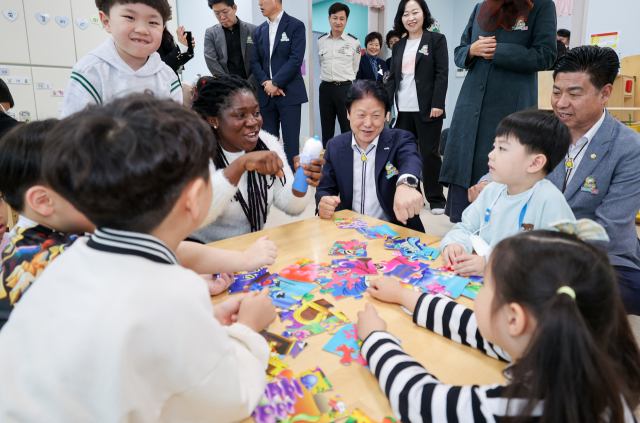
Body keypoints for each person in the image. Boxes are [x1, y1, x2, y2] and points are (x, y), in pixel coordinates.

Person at [0, 94, 277, 421]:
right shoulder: (174, 291)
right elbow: (230, 400)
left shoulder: (69, 262)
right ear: (192, 199)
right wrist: (247, 328)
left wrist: (202, 325)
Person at [0, 118, 279, 327]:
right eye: (94, 182)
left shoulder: (60, 234)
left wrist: (239, 262)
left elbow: (164, 250)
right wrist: (245, 328)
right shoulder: (52, 263)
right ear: (43, 201)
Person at [357, 228, 640, 423]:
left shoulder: (512, 410)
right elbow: (474, 328)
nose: (479, 294)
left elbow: (422, 402)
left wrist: (376, 339)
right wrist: (405, 295)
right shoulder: (573, 352)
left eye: (484, 287)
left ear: (514, 319)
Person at [468, 46, 640, 315]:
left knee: (559, 297)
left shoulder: (630, 147)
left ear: (605, 93)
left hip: (601, 256)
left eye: (574, 94)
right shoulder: (543, 128)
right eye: (556, 91)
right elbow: (504, 163)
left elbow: (607, 229)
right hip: (528, 241)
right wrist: (486, 184)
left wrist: (531, 260)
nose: (560, 103)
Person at [439, 0, 558, 223]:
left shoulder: (541, 5)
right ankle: (464, 232)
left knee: (503, 165)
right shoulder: (481, 7)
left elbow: (546, 55)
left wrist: (500, 51)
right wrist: (471, 51)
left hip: (510, 106)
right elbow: (459, 51)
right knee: (466, 164)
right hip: (470, 103)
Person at [191, 74, 324, 243]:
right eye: (240, 115)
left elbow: (291, 206)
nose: (253, 122)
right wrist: (240, 165)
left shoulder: (267, 142)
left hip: (248, 249)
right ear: (214, 120)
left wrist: (301, 179)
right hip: (200, 252)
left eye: (256, 113)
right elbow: (198, 216)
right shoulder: (196, 150)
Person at [440, 110, 575, 276]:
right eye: (494, 146)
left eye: (502, 148)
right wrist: (455, 244)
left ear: (535, 163)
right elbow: (466, 228)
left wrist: (491, 264)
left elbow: (559, 260)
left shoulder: (549, 200)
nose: (491, 154)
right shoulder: (492, 190)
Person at [316, 80, 425, 232]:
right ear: (348, 113)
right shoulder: (334, 146)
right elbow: (325, 189)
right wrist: (323, 201)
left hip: (395, 232)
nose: (368, 124)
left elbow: (411, 160)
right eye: (361, 115)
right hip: (350, 234)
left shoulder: (401, 139)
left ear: (387, 115)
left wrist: (406, 184)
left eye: (376, 115)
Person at [61, 0, 182, 118]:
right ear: (106, 21)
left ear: (163, 28)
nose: (142, 30)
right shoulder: (90, 71)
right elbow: (73, 131)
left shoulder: (168, 76)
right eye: (130, 17)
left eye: (153, 22)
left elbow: (177, 127)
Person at [387, 0, 449, 215]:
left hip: (428, 108)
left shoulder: (436, 40)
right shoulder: (399, 46)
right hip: (402, 109)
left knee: (429, 154)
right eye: (406, 14)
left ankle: (436, 198)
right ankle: (413, 194)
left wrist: (438, 104)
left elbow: (442, 74)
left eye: (415, 12)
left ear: (424, 14)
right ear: (401, 18)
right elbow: (393, 79)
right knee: (406, 154)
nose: (410, 17)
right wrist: (388, 106)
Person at [250, 0, 308, 170]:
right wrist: (267, 84)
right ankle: (273, 180)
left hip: (289, 93)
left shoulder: (296, 25)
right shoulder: (259, 30)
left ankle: (290, 182)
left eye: (263, 0)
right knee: (269, 142)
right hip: (266, 94)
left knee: (290, 143)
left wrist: (276, 83)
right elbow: (255, 61)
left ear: (276, 1)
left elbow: (296, 59)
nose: (259, 3)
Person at [317, 3, 361, 147]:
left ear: (346, 21)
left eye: (342, 19)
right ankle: (328, 162)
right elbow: (321, 63)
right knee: (327, 128)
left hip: (345, 89)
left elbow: (355, 68)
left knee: (347, 127)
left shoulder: (354, 42)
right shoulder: (321, 41)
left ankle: (348, 160)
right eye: (335, 18)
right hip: (326, 89)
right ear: (329, 19)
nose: (338, 22)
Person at [204, 0, 258, 89]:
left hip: (252, 87)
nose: (222, 17)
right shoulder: (211, 33)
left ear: (234, 8)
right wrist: (229, 85)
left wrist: (250, 84)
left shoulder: (253, 30)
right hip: (227, 89)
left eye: (225, 12)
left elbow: (260, 59)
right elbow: (212, 62)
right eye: (217, 13)